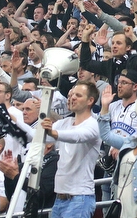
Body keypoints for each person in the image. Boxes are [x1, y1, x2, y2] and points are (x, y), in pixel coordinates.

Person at [42, 82, 101, 218]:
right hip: (59, 199)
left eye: (78, 95)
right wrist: (13, 121)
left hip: (80, 199)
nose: (72, 98)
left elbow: (77, 136)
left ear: (90, 101)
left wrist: (54, 133)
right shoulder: (64, 123)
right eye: (71, 94)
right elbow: (36, 137)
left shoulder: (93, 124)